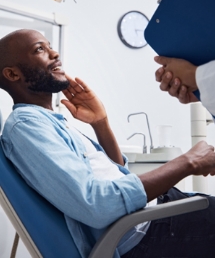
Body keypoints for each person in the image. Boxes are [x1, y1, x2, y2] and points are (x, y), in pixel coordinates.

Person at [1, 29, 215, 258]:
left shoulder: (49, 122)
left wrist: (101, 124)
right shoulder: (26, 126)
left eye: (50, 45)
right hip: (146, 235)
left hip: (152, 218)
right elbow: (97, 204)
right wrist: (188, 162)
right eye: (40, 49)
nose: (55, 53)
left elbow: (117, 176)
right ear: (13, 74)